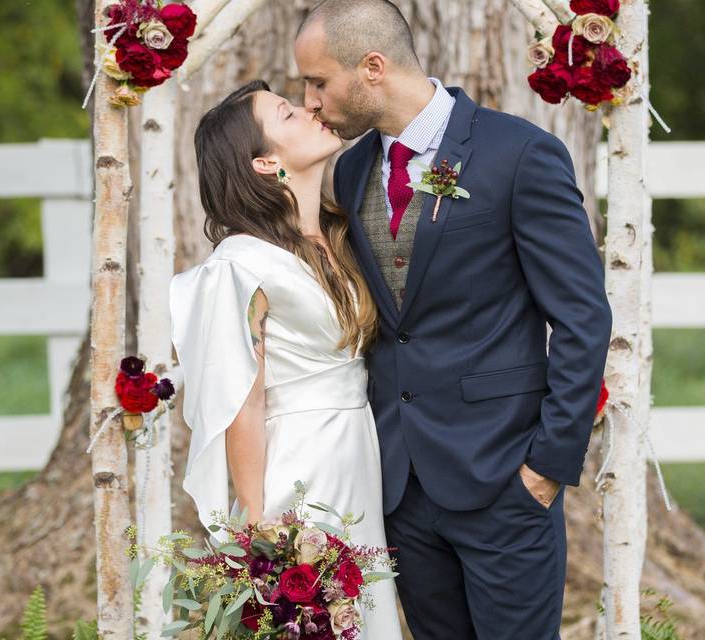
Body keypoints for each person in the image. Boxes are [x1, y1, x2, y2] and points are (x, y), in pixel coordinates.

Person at [294, 1, 614, 638]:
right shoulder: (353, 169)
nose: (309, 102)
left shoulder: (519, 154)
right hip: (402, 490)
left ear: (373, 68)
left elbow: (582, 317)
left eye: (318, 82)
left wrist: (547, 468)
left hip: (506, 479)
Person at [168, 79, 403, 638]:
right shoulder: (241, 265)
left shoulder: (338, 236)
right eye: (287, 113)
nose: (309, 109)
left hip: (357, 453)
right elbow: (242, 403)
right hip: (300, 465)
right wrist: (257, 523)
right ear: (265, 162)